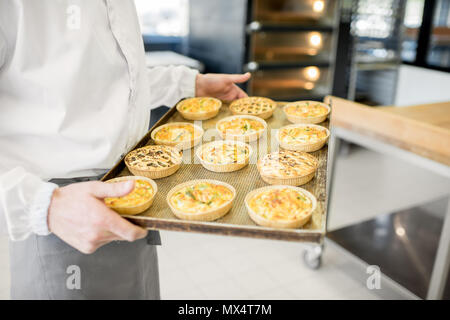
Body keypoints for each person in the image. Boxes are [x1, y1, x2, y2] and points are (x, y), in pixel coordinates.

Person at [0, 0, 250, 299]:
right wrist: (43, 205)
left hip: (129, 190)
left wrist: (190, 83)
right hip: (64, 214)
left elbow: (115, 83)